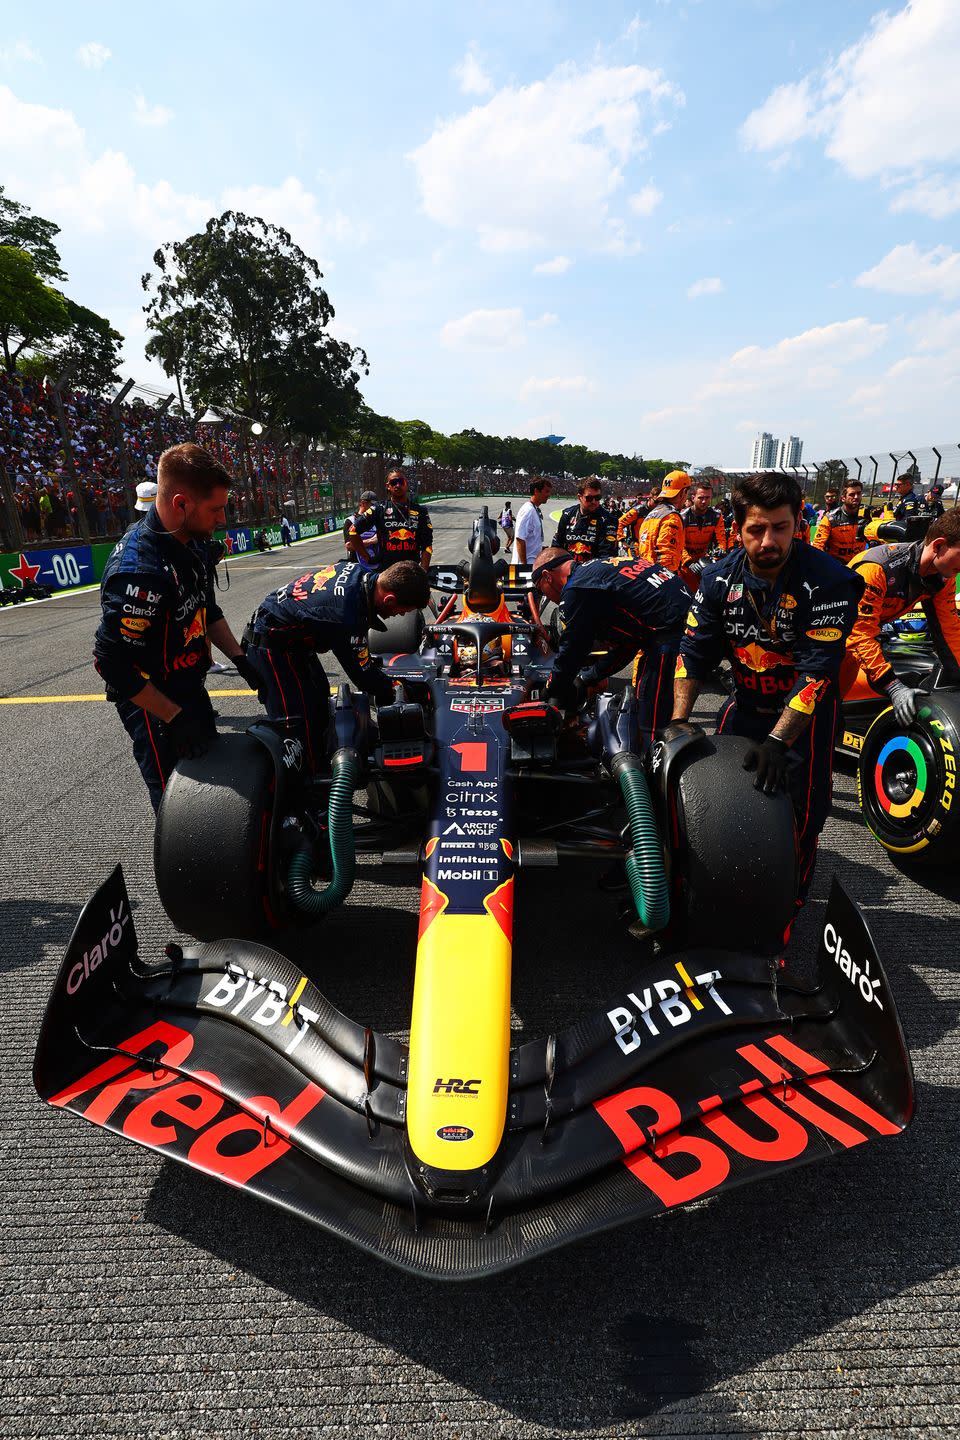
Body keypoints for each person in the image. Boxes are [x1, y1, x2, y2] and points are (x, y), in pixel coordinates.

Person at [669, 471, 863, 928]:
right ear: (737, 528)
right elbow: (693, 654)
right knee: (716, 802)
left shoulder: (830, 581)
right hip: (745, 704)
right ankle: (721, 892)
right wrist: (679, 721)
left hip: (806, 721)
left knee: (802, 815)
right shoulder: (717, 578)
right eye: (756, 529)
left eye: (780, 526)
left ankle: (787, 913)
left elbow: (817, 674)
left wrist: (778, 742)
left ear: (799, 522)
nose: (768, 540)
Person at [93, 443, 259, 813]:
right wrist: (173, 716)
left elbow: (207, 608)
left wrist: (241, 659)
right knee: (176, 803)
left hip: (187, 686)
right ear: (181, 503)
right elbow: (111, 664)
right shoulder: (139, 572)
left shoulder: (191, 542)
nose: (221, 519)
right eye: (215, 510)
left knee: (213, 789)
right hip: (152, 703)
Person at [244, 559, 431, 772]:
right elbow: (364, 677)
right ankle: (308, 790)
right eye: (402, 611)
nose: (399, 616)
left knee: (319, 701)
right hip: (271, 649)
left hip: (293, 642)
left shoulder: (359, 572)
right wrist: (401, 686)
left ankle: (321, 762)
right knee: (299, 724)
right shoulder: (345, 615)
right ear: (389, 599)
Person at [531, 547, 689, 747]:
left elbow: (572, 651)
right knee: (656, 709)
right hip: (685, 621)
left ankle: (649, 768)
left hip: (671, 633)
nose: (543, 595)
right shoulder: (600, 568)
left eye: (539, 588)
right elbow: (628, 644)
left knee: (649, 723)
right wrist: (588, 677)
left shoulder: (577, 589)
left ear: (547, 577)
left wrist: (551, 690)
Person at [840, 509, 960, 719]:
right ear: (939, 545)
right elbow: (858, 635)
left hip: (858, 637)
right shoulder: (877, 569)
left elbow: (950, 632)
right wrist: (894, 687)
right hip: (817, 638)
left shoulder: (943, 579)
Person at [620, 470, 691, 572]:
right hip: (660, 578)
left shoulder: (651, 514)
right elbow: (666, 559)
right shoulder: (671, 517)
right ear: (684, 492)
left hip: (645, 571)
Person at [362, 469, 433, 571]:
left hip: (412, 572)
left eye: (401, 482)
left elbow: (428, 546)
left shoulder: (421, 511)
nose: (398, 485)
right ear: (388, 486)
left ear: (406, 484)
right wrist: (367, 558)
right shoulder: (378, 508)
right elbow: (353, 531)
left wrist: (423, 572)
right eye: (394, 482)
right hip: (387, 573)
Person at [551, 477, 618, 559]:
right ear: (580, 497)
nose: (594, 501)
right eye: (589, 498)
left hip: (593, 570)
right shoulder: (567, 515)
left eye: (597, 498)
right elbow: (556, 547)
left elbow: (606, 556)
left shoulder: (609, 520)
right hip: (568, 568)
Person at [679, 479, 727, 591]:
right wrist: (689, 562)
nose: (704, 501)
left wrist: (721, 549)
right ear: (693, 498)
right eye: (701, 498)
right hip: (685, 564)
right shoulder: (682, 517)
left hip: (704, 562)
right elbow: (678, 545)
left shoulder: (716, 516)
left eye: (707, 498)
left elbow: (721, 539)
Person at [812, 479, 865, 563]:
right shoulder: (830, 519)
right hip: (837, 567)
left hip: (860, 565)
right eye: (852, 494)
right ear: (843, 498)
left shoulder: (867, 516)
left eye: (859, 493)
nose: (856, 497)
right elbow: (818, 546)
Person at [511, 475, 553, 566]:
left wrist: (539, 548)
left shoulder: (533, 509)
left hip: (532, 562)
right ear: (536, 491)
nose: (549, 495)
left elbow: (529, 538)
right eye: (546, 491)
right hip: (525, 565)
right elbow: (520, 539)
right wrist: (523, 566)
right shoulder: (528, 510)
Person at [343, 490, 380, 569]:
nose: (375, 508)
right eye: (372, 505)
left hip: (377, 564)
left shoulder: (377, 520)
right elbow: (349, 545)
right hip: (358, 566)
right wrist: (372, 541)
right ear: (363, 503)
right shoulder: (350, 521)